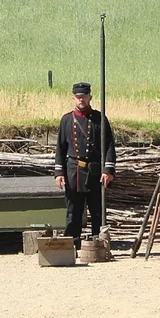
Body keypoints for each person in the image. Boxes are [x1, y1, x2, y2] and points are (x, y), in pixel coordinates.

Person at [54, 81, 116, 243]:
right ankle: (72, 242)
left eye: (84, 97)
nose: (81, 100)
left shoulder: (100, 119)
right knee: (73, 210)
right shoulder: (66, 120)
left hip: (95, 171)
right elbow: (60, 147)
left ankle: (99, 243)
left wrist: (108, 170)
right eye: (78, 97)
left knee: (97, 210)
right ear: (74, 98)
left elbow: (109, 145)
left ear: (90, 97)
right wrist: (59, 173)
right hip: (74, 171)